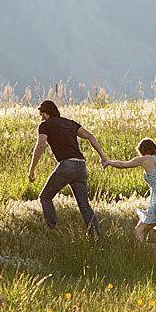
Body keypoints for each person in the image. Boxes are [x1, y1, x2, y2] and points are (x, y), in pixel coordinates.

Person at [103, 138, 156, 268]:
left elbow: (123, 165)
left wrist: (109, 162)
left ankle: (140, 262)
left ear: (143, 151)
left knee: (139, 231)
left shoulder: (144, 159)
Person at [28, 99, 105, 238]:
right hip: (81, 166)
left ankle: (53, 231)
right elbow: (90, 136)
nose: (41, 117)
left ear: (45, 113)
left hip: (67, 166)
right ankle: (96, 236)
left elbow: (40, 146)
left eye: (41, 114)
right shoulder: (70, 123)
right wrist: (103, 157)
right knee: (84, 205)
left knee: (45, 197)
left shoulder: (45, 125)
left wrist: (32, 169)